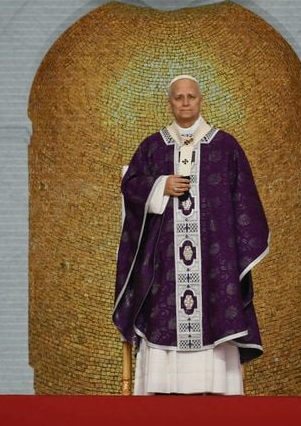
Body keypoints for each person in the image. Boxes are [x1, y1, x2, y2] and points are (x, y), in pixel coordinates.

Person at [113, 75, 269, 395]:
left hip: (214, 260)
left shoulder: (225, 145)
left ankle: (216, 389)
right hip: (165, 259)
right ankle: (162, 386)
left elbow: (245, 200)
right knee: (161, 315)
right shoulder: (153, 146)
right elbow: (130, 185)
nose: (185, 102)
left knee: (217, 311)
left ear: (201, 100)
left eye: (191, 97)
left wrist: (234, 254)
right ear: (169, 102)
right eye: (178, 97)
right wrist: (160, 186)